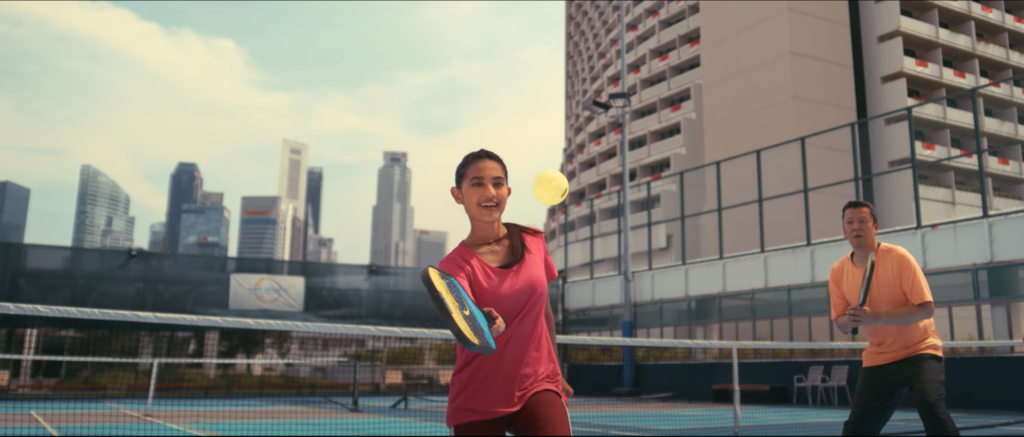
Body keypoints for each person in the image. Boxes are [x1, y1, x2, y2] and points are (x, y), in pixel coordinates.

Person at [439, 149, 574, 436]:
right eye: (477, 183)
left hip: (539, 383)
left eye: (498, 183)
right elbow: (465, 315)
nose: (490, 191)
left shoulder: (534, 240)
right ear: (457, 194)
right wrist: (482, 321)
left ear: (508, 191)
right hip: (478, 394)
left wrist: (557, 371)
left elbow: (545, 312)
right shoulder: (452, 265)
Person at [829, 200, 959, 436]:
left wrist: (876, 317)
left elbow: (925, 308)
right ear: (844, 231)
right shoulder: (838, 272)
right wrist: (852, 319)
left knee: (931, 408)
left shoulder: (899, 257)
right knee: (856, 430)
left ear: (875, 227)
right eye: (850, 222)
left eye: (863, 221)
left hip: (920, 351)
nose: (856, 226)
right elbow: (842, 325)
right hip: (879, 359)